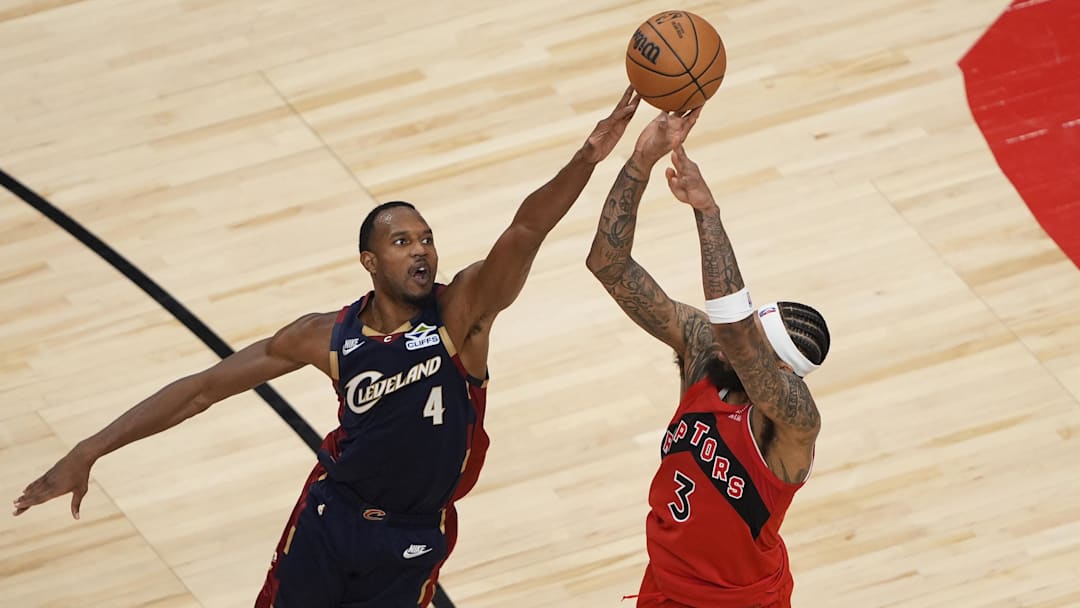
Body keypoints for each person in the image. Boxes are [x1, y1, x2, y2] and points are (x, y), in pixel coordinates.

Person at [13, 86, 642, 608]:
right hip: (330, 517)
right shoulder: (327, 336)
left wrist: (588, 155)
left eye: (426, 237)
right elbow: (202, 390)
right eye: (402, 241)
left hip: (414, 534)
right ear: (370, 261)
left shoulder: (461, 315)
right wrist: (90, 449)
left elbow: (526, 228)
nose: (421, 248)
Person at [586, 113, 831, 607]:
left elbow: (737, 334)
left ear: (781, 372)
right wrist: (640, 161)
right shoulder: (705, 351)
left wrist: (707, 213)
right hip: (665, 589)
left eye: (753, 341)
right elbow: (607, 264)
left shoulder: (793, 425)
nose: (727, 340)